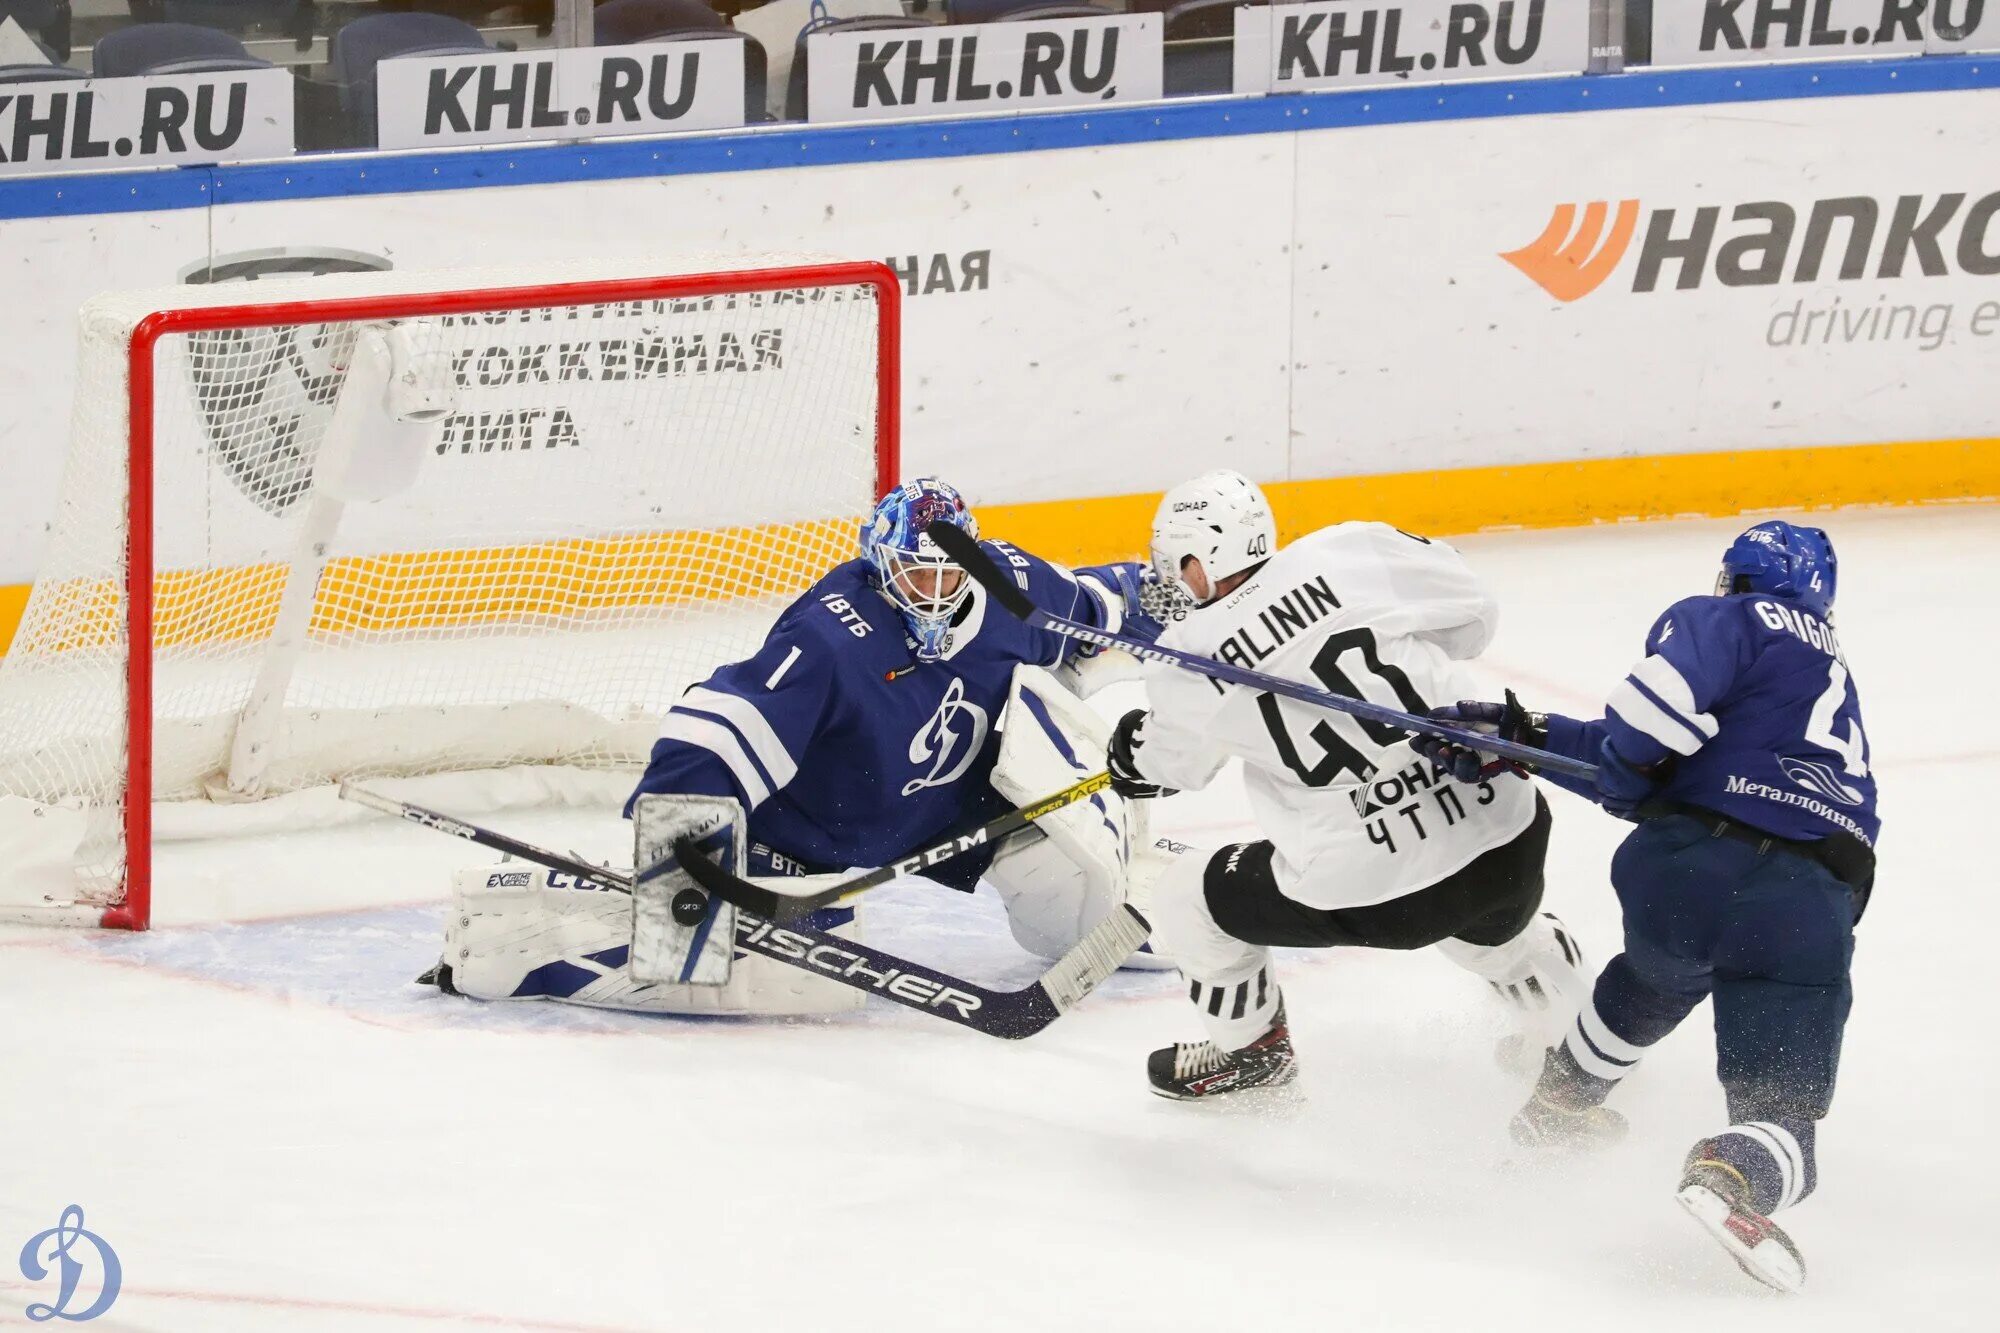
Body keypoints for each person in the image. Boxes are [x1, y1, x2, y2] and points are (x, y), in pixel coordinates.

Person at [425, 477, 1178, 1016]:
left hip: (959, 812)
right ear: (883, 566)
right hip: (808, 834)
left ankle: (1129, 868)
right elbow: (709, 734)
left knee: (1079, 898)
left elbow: (1099, 604)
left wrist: (1178, 603)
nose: (939, 592)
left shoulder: (1010, 585)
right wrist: (675, 881)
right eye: (919, 575)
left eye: (953, 571)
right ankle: (512, 942)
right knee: (810, 986)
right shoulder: (831, 635)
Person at [1414, 520, 1877, 1293]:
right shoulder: (1822, 675)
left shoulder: (1726, 618)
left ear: (1734, 577)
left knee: (1658, 972)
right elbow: (1661, 756)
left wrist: (1521, 740)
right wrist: (1529, 735)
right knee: (1781, 1112)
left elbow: (1643, 743)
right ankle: (1734, 1170)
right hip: (1805, 905)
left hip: (1679, 877)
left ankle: (1561, 1103)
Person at [1103, 470, 1587, 1101]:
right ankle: (1581, 1047)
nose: (1175, 581)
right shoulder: (1353, 550)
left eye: (1177, 564)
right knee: (1497, 933)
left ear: (1198, 559)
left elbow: (1175, 770)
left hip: (1372, 895)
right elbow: (1474, 622)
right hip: (1507, 841)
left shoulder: (1187, 659)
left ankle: (1254, 1057)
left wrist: (1131, 747)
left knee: (1184, 900)